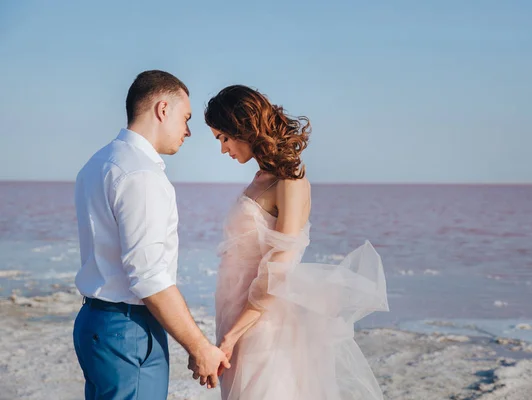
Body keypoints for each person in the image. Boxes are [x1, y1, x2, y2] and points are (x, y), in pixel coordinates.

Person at [205, 84, 389, 399]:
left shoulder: (289, 182)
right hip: (235, 317)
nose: (223, 149)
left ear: (244, 127)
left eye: (223, 138)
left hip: (263, 326)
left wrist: (231, 338)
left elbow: (278, 271)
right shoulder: (261, 177)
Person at [72, 70, 229, 399]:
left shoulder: (97, 162)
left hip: (95, 322)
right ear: (162, 109)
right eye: (185, 118)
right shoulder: (140, 174)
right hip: (129, 329)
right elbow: (148, 277)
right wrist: (199, 347)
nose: (188, 131)